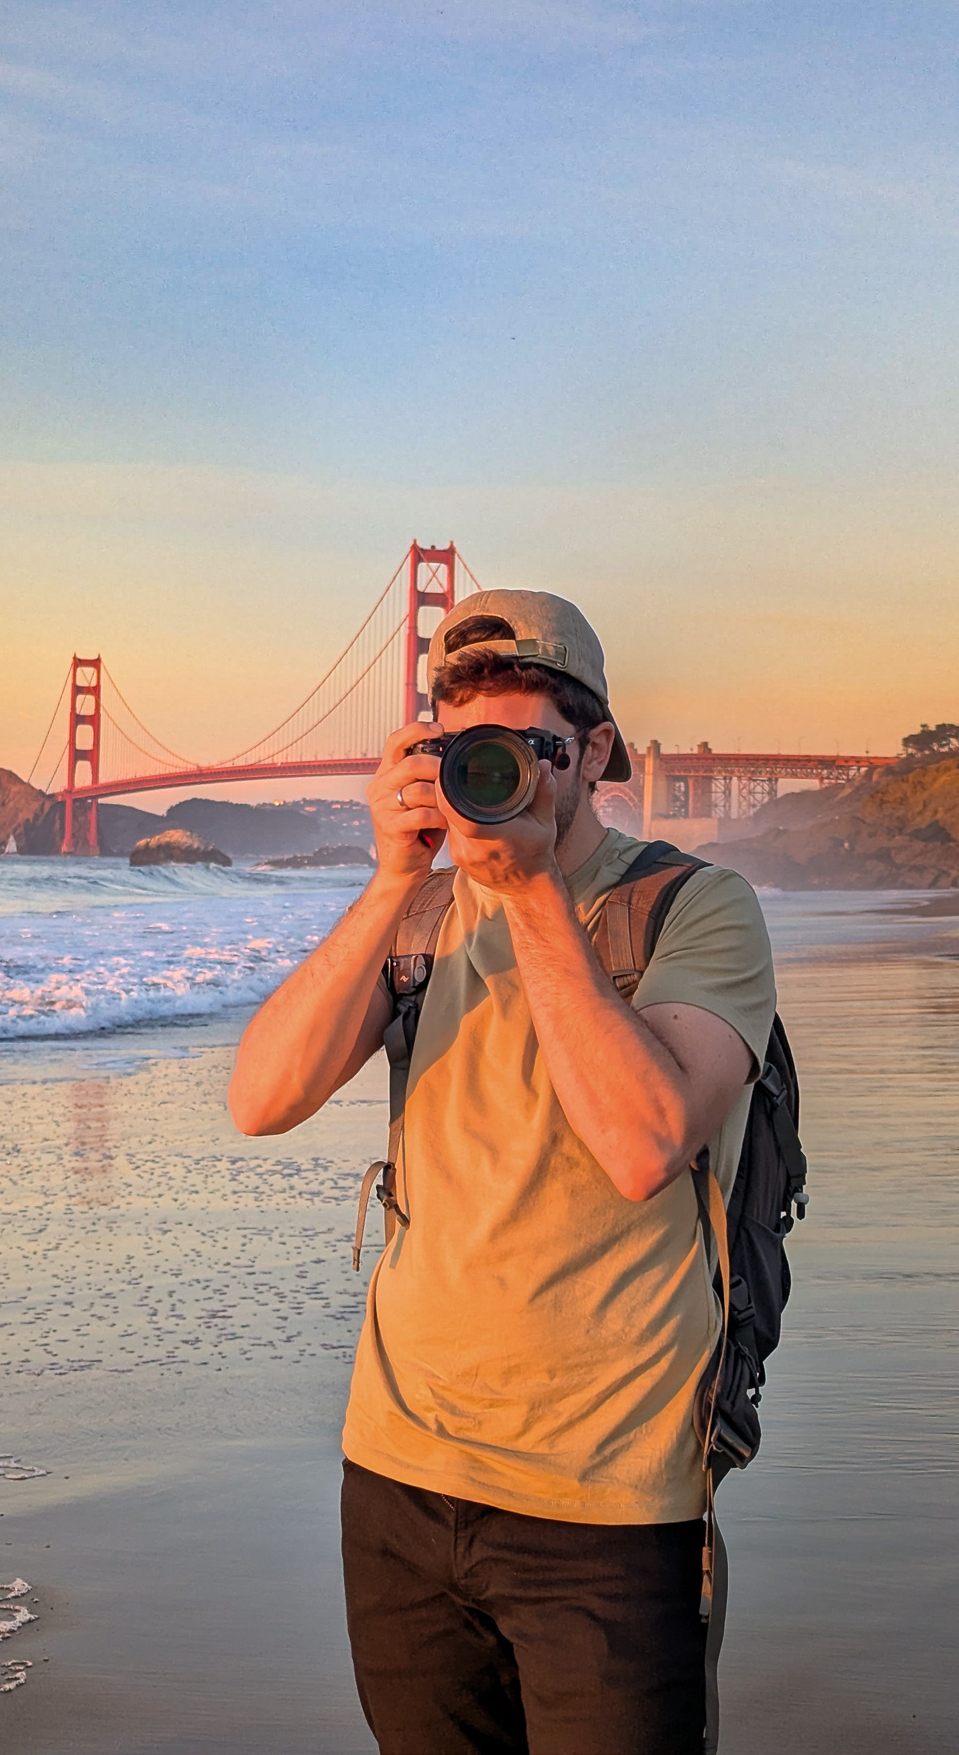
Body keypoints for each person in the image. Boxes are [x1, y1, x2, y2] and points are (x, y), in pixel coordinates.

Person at [228, 589, 776, 1755]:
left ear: (598, 757)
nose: (504, 772)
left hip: (610, 1495)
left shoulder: (694, 909)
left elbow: (641, 1144)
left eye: (535, 748)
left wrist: (529, 892)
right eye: (466, 744)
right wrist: (389, 878)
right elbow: (260, 1099)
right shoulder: (419, 914)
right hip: (397, 1475)